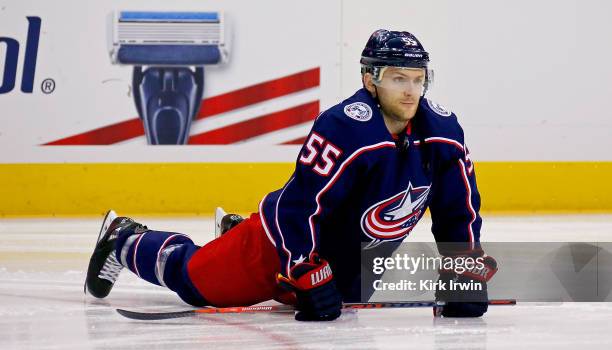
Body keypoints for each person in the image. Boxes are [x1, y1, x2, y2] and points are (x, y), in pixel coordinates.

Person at [85, 29, 497, 321]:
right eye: (397, 78)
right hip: (278, 244)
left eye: (418, 79)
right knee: (196, 286)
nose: (410, 91)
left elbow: (457, 208)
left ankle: (233, 231)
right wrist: (301, 264)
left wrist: (463, 268)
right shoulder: (345, 129)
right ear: (369, 79)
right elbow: (298, 208)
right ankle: (124, 238)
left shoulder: (443, 132)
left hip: (351, 267)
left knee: (336, 306)